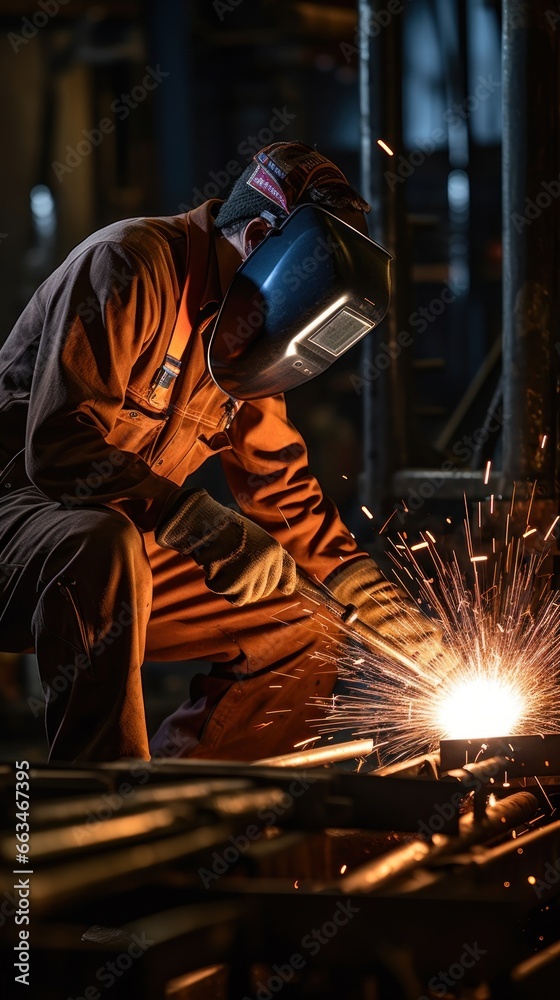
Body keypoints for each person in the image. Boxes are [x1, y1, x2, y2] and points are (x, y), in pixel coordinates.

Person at [0, 141, 442, 763]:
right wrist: (198, 522)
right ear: (258, 236)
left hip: (123, 550)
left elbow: (280, 489)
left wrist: (371, 598)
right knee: (101, 543)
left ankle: (195, 820)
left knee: (303, 625)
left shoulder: (244, 337)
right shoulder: (128, 266)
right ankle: (106, 809)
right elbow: (56, 449)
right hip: (21, 530)